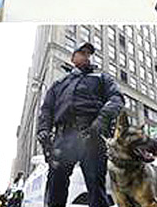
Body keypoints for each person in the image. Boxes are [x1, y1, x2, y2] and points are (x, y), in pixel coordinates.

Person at [37, 42, 124, 207]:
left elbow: (116, 99)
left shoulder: (101, 78)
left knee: (96, 190)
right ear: (73, 58)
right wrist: (43, 130)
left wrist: (101, 121)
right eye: (82, 52)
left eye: (88, 54)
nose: (86, 56)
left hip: (92, 136)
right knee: (55, 189)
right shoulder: (59, 84)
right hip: (63, 138)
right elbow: (46, 110)